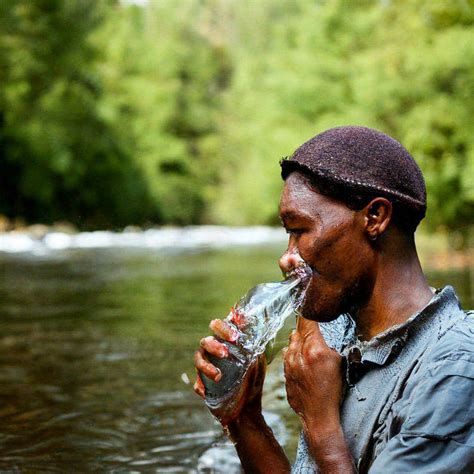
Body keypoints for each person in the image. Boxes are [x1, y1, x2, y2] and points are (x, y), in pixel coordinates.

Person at [193, 126, 474, 473]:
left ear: (375, 218)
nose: (286, 257)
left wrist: (320, 424)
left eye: (300, 230)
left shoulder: (457, 369)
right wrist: (245, 420)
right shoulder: (334, 330)